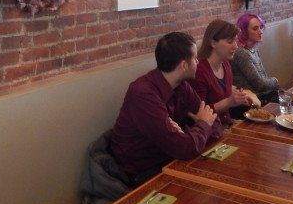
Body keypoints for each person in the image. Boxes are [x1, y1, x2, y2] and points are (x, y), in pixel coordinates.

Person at [109, 32, 224, 183]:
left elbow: (215, 125)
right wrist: (201, 125)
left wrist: (195, 132)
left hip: (170, 157)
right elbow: (184, 148)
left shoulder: (181, 84)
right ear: (184, 65)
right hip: (141, 170)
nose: (198, 61)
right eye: (195, 58)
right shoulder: (143, 94)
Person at [190, 20, 253, 126]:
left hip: (226, 124)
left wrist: (239, 98)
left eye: (235, 41)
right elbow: (197, 114)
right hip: (209, 133)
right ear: (213, 43)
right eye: (230, 42)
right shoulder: (199, 71)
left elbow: (224, 94)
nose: (236, 46)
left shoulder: (226, 65)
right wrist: (230, 102)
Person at [231, 13, 280, 104]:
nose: (261, 31)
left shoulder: (253, 49)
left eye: (261, 27)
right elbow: (260, 84)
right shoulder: (241, 53)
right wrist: (275, 81)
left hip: (263, 95)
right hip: (251, 101)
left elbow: (263, 77)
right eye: (255, 28)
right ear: (244, 32)